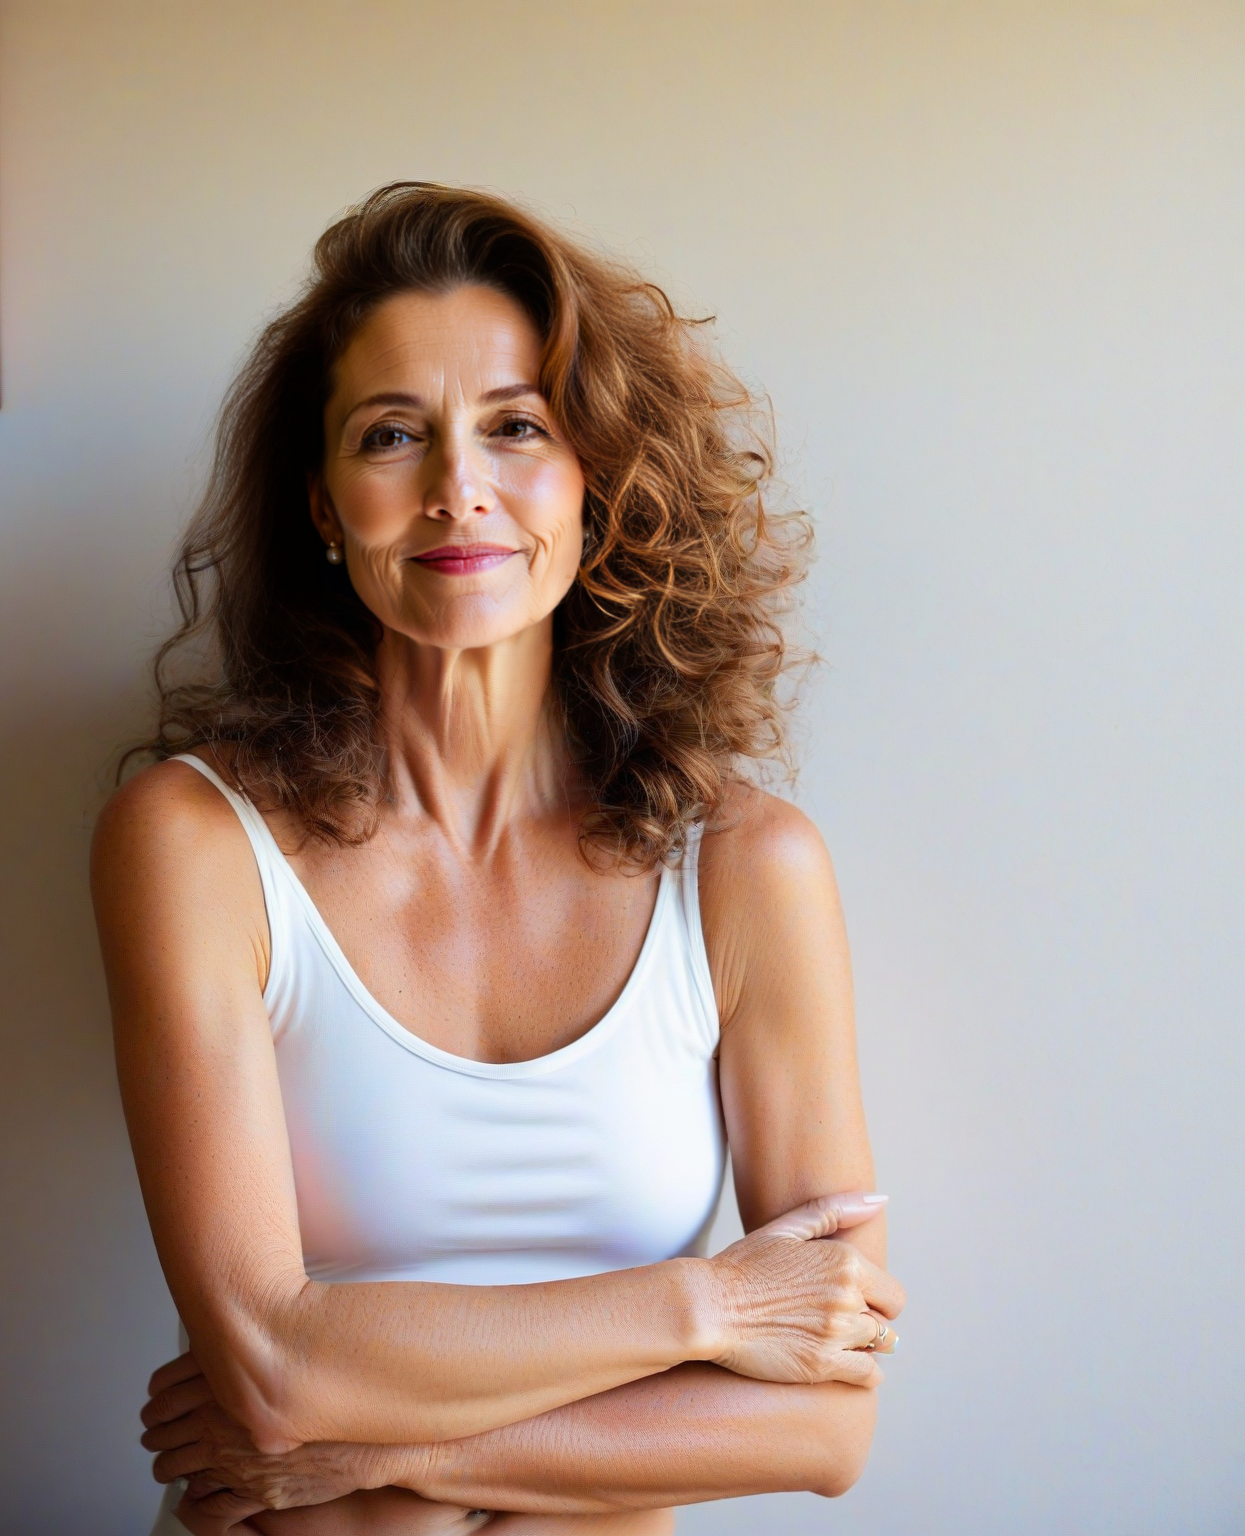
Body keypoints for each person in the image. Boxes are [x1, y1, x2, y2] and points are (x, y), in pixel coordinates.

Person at [92, 183, 905, 1535]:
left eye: (516, 426)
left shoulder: (747, 869)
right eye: (392, 434)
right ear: (323, 505)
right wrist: (708, 1307)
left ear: (596, 482)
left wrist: (374, 1451)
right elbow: (274, 1368)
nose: (457, 488)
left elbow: (828, 1425)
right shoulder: (195, 845)